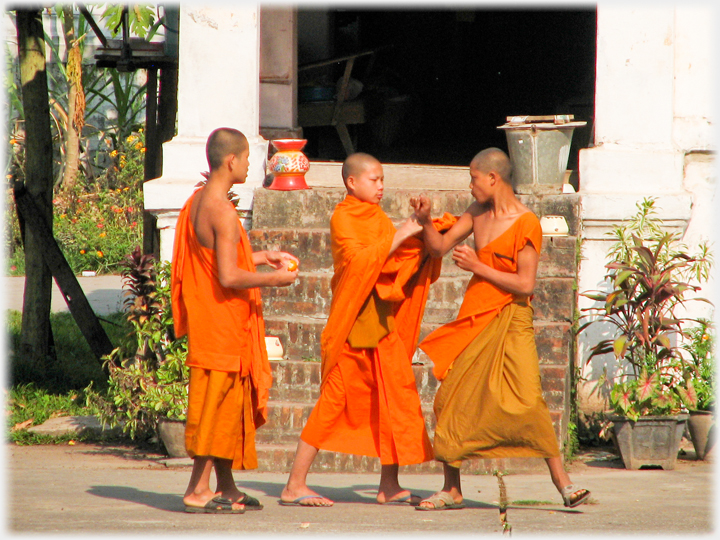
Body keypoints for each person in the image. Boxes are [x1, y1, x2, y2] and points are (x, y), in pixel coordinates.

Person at [409, 147, 590, 511]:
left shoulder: (527, 223)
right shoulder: (477, 212)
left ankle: (563, 483)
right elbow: (440, 248)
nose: (470, 186)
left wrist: (479, 265)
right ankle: (451, 489)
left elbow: (525, 285)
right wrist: (427, 221)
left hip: (512, 317)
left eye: (474, 178)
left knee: (528, 398)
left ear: (493, 178)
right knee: (450, 399)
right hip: (475, 315)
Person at [280, 153, 455, 507]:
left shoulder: (375, 217)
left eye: (382, 180)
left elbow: (390, 262)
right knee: (333, 401)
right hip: (354, 322)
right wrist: (404, 230)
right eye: (374, 180)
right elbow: (361, 262)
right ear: (352, 183)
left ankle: (389, 484)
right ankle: (294, 484)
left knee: (392, 395)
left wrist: (423, 230)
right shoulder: (343, 217)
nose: (380, 186)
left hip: (380, 320)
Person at [171, 127, 299, 513]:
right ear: (232, 161)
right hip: (222, 324)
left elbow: (217, 260)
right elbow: (228, 276)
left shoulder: (199, 200)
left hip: (215, 319)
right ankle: (197, 490)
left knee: (228, 407)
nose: (248, 165)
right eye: (246, 158)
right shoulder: (223, 212)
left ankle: (225, 485)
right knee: (215, 408)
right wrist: (274, 279)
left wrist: (264, 255)